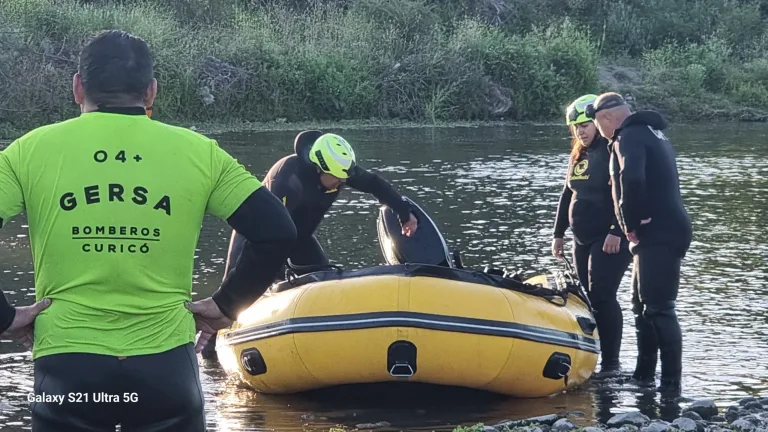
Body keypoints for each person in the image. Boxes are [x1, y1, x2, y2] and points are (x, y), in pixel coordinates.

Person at [0, 29, 297, 431]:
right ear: (151, 92)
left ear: (77, 88)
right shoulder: (199, 152)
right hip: (166, 367)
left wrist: (5, 317)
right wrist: (228, 304)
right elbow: (277, 230)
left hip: (68, 365)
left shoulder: (30, 150)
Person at [200, 129, 419, 359]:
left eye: (344, 177)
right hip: (259, 235)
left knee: (323, 280)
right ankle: (210, 352)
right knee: (235, 293)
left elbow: (374, 184)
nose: (342, 182)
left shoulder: (338, 168)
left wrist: (404, 212)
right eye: (337, 177)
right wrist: (274, 275)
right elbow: (273, 235)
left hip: (299, 237)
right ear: (318, 168)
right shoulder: (287, 179)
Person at [585, 92, 692, 394]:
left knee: (659, 308)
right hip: (665, 228)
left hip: (659, 231)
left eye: (598, 125)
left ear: (606, 119)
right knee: (640, 305)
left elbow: (631, 178)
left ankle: (671, 385)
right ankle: (643, 376)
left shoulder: (628, 135)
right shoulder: (652, 133)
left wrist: (630, 221)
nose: (601, 133)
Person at [552, 94, 633, 379]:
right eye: (575, 127)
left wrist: (616, 230)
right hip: (581, 239)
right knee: (586, 299)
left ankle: (612, 364)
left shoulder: (612, 150)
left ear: (598, 123)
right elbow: (567, 194)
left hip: (609, 238)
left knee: (603, 297)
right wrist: (558, 234)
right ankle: (593, 360)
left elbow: (624, 194)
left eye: (585, 125)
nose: (580, 131)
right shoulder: (579, 153)